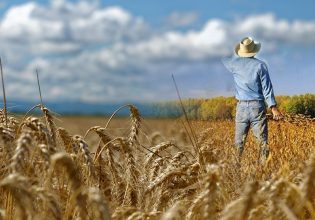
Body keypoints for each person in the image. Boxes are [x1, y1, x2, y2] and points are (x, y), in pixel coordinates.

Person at [222, 37, 282, 162]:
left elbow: (223, 57)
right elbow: (267, 88)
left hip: (241, 108)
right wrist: (273, 108)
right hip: (257, 107)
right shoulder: (260, 65)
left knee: (238, 145)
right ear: (254, 50)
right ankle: (264, 176)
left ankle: (234, 175)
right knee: (262, 144)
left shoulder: (233, 64)